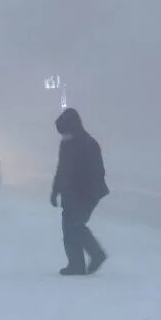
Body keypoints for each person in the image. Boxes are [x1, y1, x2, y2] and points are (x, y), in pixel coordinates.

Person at [50, 108, 109, 276]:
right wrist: (55, 191)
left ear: (73, 127)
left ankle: (96, 255)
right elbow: (61, 169)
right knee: (69, 228)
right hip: (70, 193)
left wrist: (86, 194)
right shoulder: (66, 144)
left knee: (74, 226)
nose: (64, 136)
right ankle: (76, 265)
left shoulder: (89, 144)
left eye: (65, 132)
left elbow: (98, 172)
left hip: (87, 193)